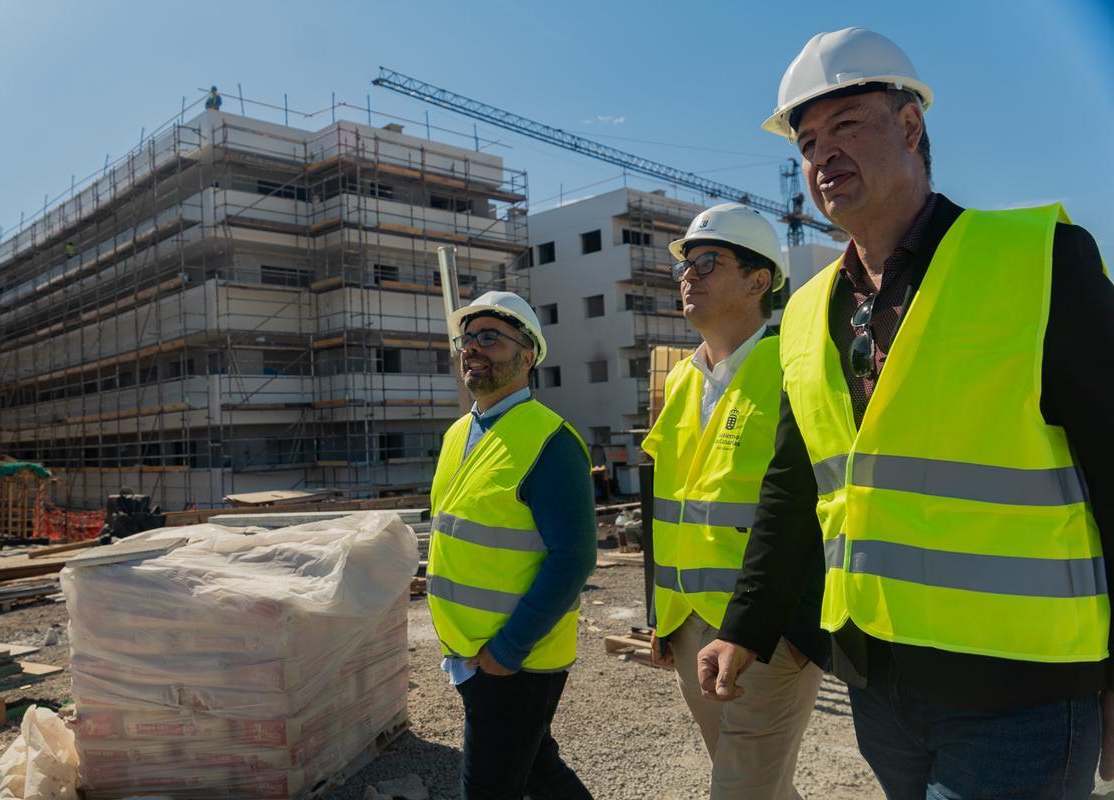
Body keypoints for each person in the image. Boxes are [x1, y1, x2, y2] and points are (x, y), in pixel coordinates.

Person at [698, 27, 1113, 799]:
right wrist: (744, 627)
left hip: (1021, 688)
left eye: (847, 124)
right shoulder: (808, 310)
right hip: (877, 678)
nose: (822, 154)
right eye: (808, 139)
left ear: (911, 127)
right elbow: (796, 485)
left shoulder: (1041, 261)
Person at [642, 203, 826, 799]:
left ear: (758, 280)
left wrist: (790, 628)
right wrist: (662, 614)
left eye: (707, 262)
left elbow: (808, 506)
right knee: (755, 782)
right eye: (684, 266)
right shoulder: (680, 380)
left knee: (741, 790)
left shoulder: (794, 370)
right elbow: (669, 505)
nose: (688, 276)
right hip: (691, 623)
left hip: (768, 632)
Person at [428, 291, 597, 800]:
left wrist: (508, 649)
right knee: (538, 771)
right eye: (467, 339)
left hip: (516, 659)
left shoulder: (551, 441)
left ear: (528, 356)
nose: (472, 348)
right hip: (473, 653)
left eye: (489, 338)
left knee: (487, 788)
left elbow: (574, 557)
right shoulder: (461, 432)